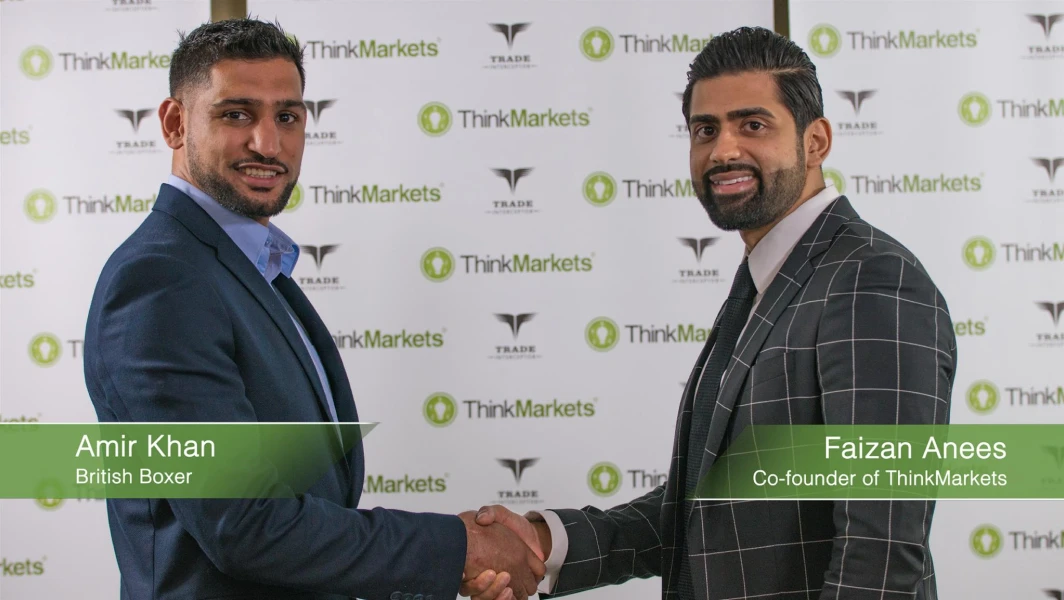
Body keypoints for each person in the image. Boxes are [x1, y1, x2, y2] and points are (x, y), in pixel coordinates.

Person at [466, 26, 956, 600]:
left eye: (753, 125)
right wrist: (546, 544)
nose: (723, 151)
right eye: (705, 130)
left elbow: (881, 553)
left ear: (816, 141)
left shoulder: (871, 279)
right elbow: (704, 516)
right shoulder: (765, 281)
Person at [82, 18, 543, 600]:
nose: (267, 144)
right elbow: (242, 523)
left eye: (288, 117)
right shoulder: (161, 280)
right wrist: (458, 549)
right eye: (236, 114)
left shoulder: (244, 265)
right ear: (175, 123)